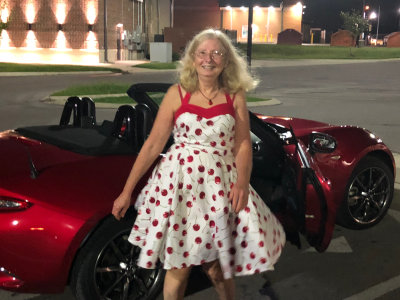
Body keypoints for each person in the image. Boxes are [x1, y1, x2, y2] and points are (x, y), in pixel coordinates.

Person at [112, 28, 285, 300]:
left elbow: (242, 144)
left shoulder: (234, 95)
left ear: (226, 61)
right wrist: (127, 191)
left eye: (217, 53)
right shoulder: (176, 94)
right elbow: (153, 145)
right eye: (202, 53)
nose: (209, 59)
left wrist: (241, 182)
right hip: (180, 189)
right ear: (192, 59)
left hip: (219, 190)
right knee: (178, 267)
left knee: (216, 267)